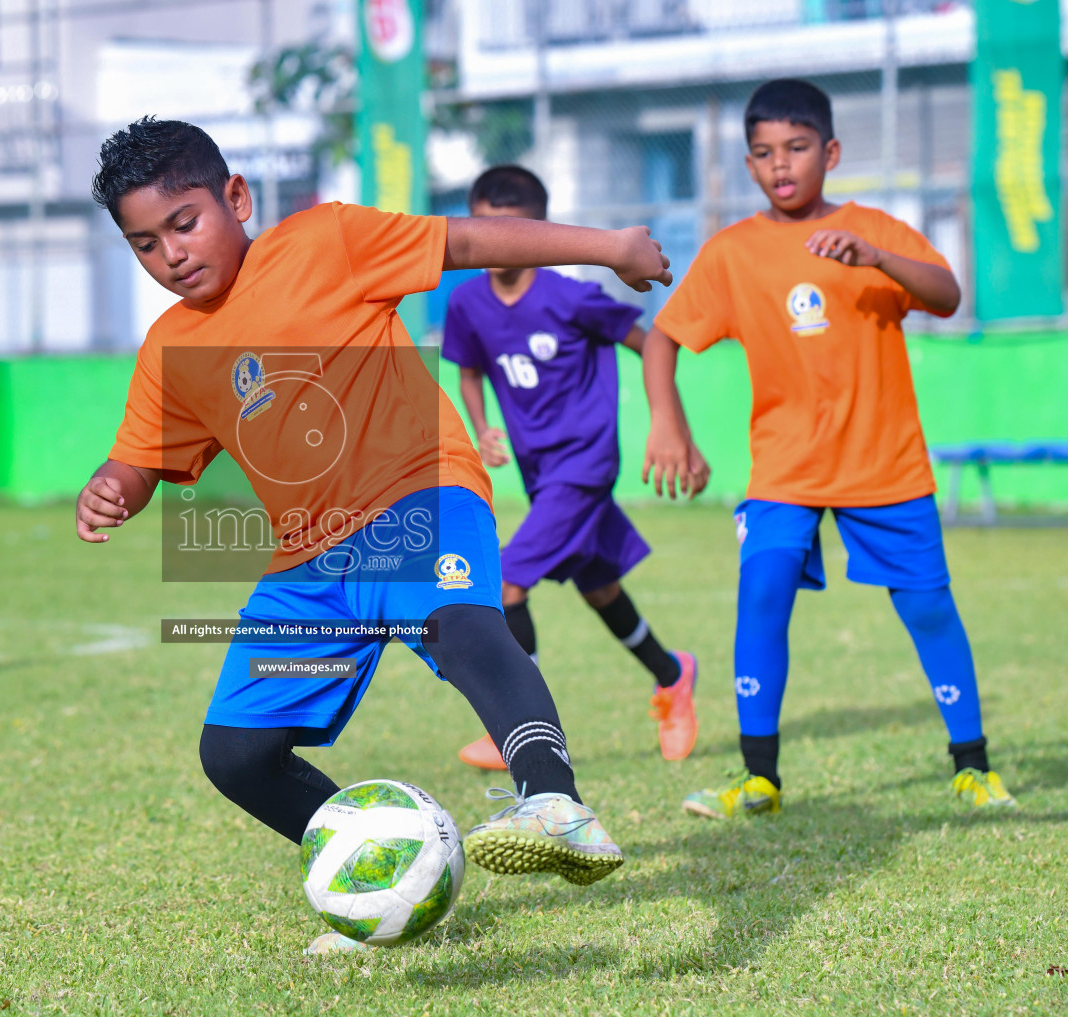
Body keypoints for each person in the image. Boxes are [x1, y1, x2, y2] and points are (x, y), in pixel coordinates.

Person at [75, 118, 673, 948]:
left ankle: (553, 803)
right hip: (310, 565)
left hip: (419, 495)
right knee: (236, 755)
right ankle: (382, 865)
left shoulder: (327, 241)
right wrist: (114, 487)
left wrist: (607, 246)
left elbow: (465, 238)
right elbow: (143, 460)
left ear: (236, 198)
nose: (171, 254)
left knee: (465, 624)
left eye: (185, 223)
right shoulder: (169, 346)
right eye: (145, 243)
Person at [640, 79, 1015, 818]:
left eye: (797, 148)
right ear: (748, 165)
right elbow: (663, 337)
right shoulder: (732, 253)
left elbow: (945, 294)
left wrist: (875, 257)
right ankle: (760, 779)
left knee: (930, 610)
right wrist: (666, 420)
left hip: (886, 464)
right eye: (763, 153)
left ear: (831, 152)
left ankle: (972, 766)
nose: (780, 165)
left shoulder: (874, 229)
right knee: (764, 595)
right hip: (785, 468)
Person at [441, 165, 704, 770]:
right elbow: (471, 370)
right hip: (540, 474)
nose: (493, 240)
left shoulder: (573, 297)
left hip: (584, 466)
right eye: (480, 225)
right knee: (600, 587)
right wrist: (481, 426)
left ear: (536, 229)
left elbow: (653, 346)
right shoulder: (468, 302)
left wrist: (671, 426)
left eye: (508, 228)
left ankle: (518, 730)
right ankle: (672, 676)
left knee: (504, 582)